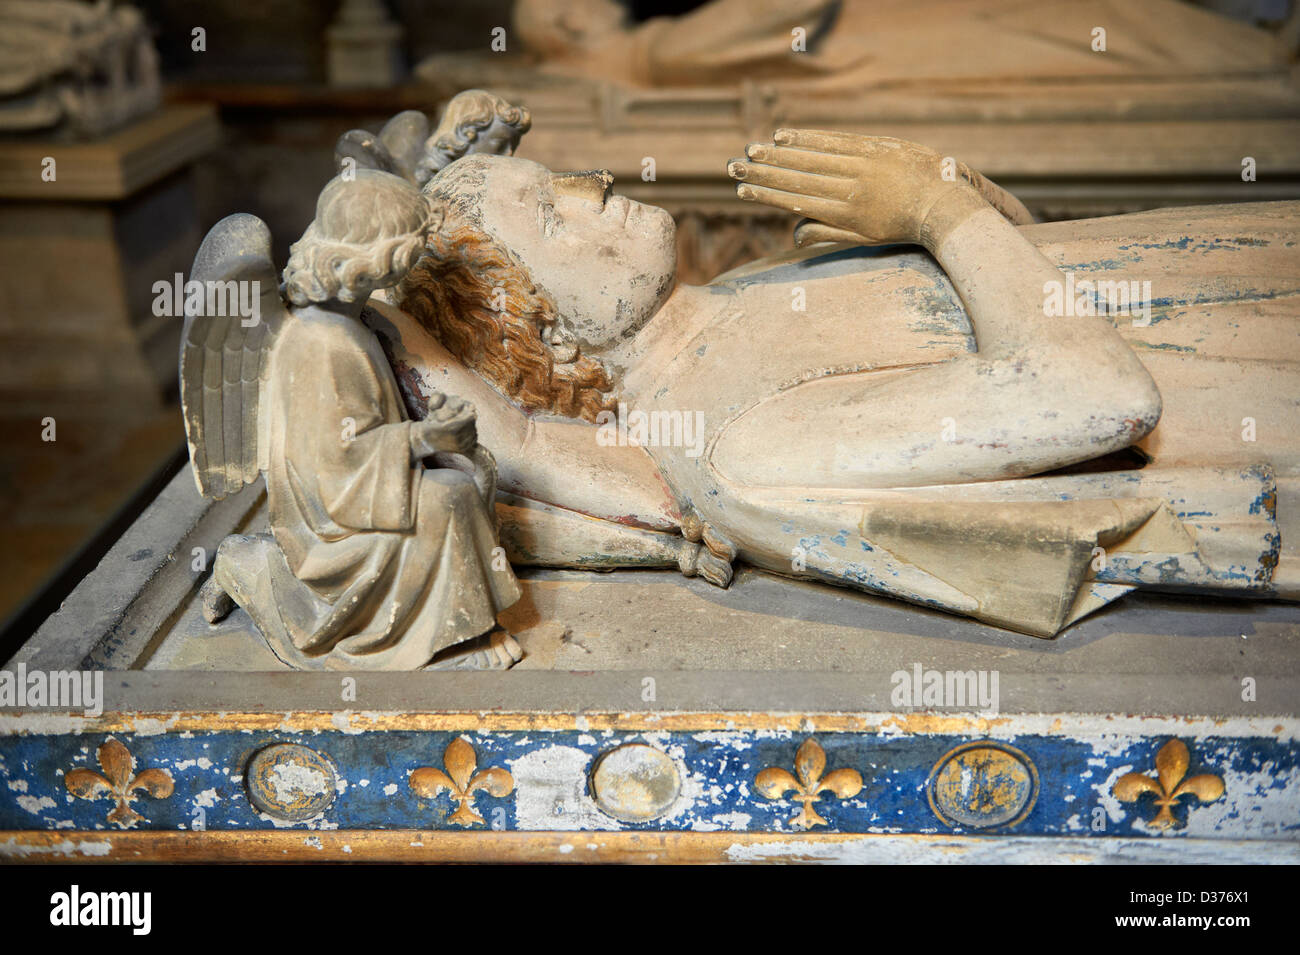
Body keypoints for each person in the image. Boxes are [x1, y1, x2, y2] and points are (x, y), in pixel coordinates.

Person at [376, 134, 1298, 637]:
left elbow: (1008, 287)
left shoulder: (730, 301)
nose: (593, 180)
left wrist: (960, 199)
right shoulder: (738, 439)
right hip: (1238, 375)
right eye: (550, 207)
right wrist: (943, 214)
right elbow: (1093, 396)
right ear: (535, 325)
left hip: (1222, 278)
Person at [202, 169, 523, 669]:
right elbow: (334, 467)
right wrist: (422, 438)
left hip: (366, 489)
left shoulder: (351, 321)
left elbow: (373, 417)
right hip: (331, 523)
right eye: (409, 253)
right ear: (378, 259)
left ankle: (467, 624)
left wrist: (426, 422)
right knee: (451, 496)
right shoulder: (322, 344)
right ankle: (457, 635)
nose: (414, 264)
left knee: (460, 480)